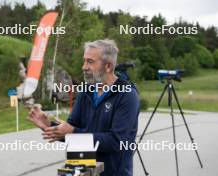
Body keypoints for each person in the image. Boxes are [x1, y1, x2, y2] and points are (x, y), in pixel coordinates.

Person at [28, 39, 140, 176]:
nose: (84, 67)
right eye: (84, 61)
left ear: (108, 66)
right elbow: (72, 129)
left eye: (90, 62)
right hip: (82, 171)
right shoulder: (86, 91)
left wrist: (73, 132)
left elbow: (115, 142)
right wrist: (50, 125)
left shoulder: (127, 95)